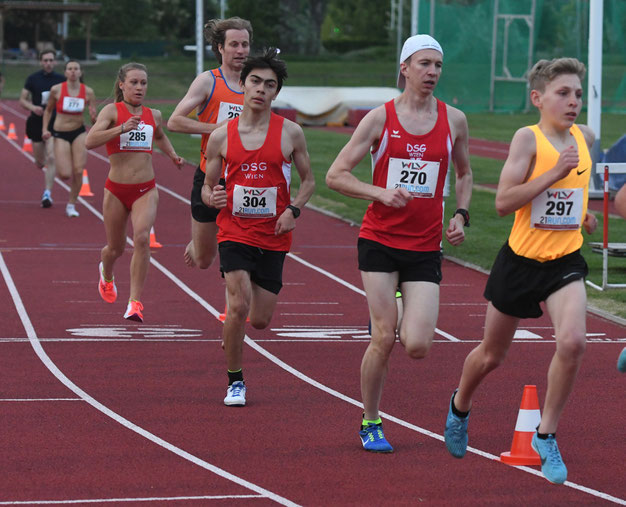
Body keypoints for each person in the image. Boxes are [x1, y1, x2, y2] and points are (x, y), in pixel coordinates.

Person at [444, 58, 598, 485]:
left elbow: (575, 192)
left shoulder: (585, 138)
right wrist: (554, 173)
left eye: (578, 94)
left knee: (573, 342)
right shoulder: (527, 140)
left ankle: (544, 434)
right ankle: (459, 406)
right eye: (563, 93)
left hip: (564, 262)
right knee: (492, 355)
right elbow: (503, 202)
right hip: (520, 262)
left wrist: (583, 217)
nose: (573, 102)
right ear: (538, 98)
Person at [326, 34, 473, 453]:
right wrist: (380, 193)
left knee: (419, 346)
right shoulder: (379, 119)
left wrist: (461, 214)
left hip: (425, 246)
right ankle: (371, 420)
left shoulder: (454, 120)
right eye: (424, 64)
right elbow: (336, 175)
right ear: (404, 68)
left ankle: (392, 310)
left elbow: (463, 175)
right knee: (384, 338)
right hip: (380, 241)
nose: (432, 73)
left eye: (438, 66)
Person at [201, 48, 315, 407]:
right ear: (243, 85)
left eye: (269, 84)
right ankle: (235, 381)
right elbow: (207, 186)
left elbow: (309, 181)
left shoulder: (291, 133)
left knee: (261, 320)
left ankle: (234, 325)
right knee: (237, 307)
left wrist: (293, 210)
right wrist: (211, 198)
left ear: (276, 92)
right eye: (255, 82)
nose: (261, 89)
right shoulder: (221, 136)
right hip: (233, 231)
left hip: (274, 234)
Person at [85, 62, 183, 322]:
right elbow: (89, 141)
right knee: (114, 249)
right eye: (134, 83)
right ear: (122, 85)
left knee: (141, 239)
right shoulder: (112, 111)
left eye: (143, 83)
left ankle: (134, 303)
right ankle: (106, 274)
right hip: (116, 190)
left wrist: (173, 155)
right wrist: (121, 128)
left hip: (146, 189)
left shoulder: (154, 114)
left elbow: (159, 136)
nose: (139, 87)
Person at [167, 17, 252, 269]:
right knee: (203, 260)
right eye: (234, 44)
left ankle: (234, 308)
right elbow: (175, 121)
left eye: (245, 45)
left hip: (246, 179)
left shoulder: (255, 83)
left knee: (241, 253)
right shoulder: (208, 81)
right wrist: (217, 129)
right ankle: (197, 244)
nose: (240, 51)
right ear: (220, 48)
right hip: (211, 177)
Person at [42, 60, 97, 217]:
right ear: (65, 72)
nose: (73, 71)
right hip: (60, 133)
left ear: (80, 72)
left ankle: (71, 205)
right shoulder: (56, 90)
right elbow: (48, 111)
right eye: (70, 69)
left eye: (76, 69)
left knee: (79, 170)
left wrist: (94, 117)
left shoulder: (88, 92)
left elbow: (94, 117)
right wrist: (45, 129)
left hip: (79, 132)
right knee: (65, 174)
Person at [19, 49, 65, 208]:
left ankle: (47, 193)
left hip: (54, 123)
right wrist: (33, 107)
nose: (48, 63)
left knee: (52, 157)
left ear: (55, 62)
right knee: (40, 162)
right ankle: (41, 162)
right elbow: (22, 100)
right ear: (41, 62)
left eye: (51, 60)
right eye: (45, 60)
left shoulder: (61, 80)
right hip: (36, 122)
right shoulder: (33, 79)